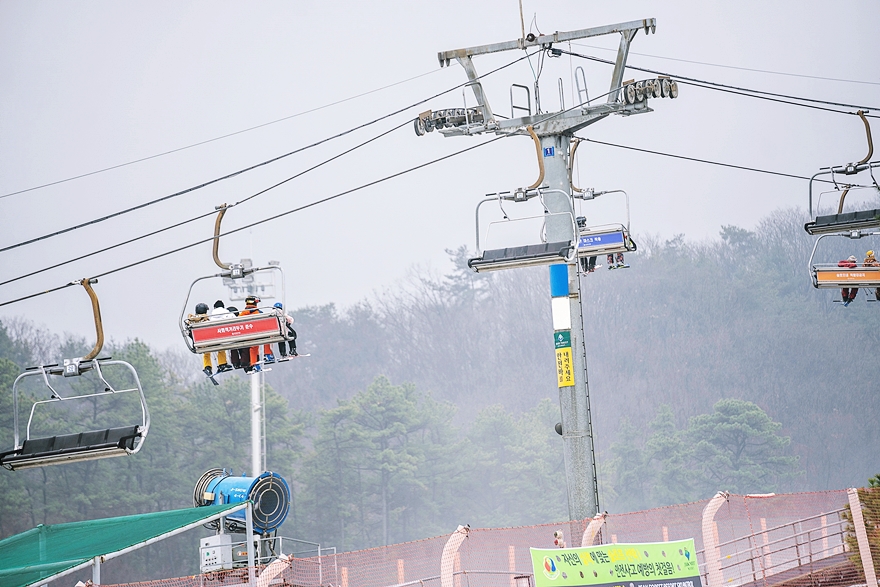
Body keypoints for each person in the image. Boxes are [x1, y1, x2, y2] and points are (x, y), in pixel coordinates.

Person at [185, 302, 225, 376]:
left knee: (206, 352)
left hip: (199, 344)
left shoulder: (190, 321)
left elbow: (189, 333)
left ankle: (207, 367)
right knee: (221, 347)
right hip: (209, 342)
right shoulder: (206, 319)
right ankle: (222, 363)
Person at [240, 295, 274, 370]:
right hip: (258, 334)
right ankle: (267, 354)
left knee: (253, 347)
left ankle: (254, 364)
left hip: (247, 337)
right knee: (267, 337)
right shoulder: (258, 312)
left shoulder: (241, 314)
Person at [207, 300, 232, 373]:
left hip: (214, 337)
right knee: (222, 347)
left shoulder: (212, 315)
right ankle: (222, 363)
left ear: (215, 307)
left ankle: (209, 366)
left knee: (217, 347)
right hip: (225, 335)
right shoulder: (226, 312)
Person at [226, 305, 249, 370]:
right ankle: (244, 362)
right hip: (241, 338)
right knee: (245, 348)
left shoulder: (226, 322)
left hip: (232, 339)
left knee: (233, 349)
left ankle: (235, 363)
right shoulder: (240, 320)